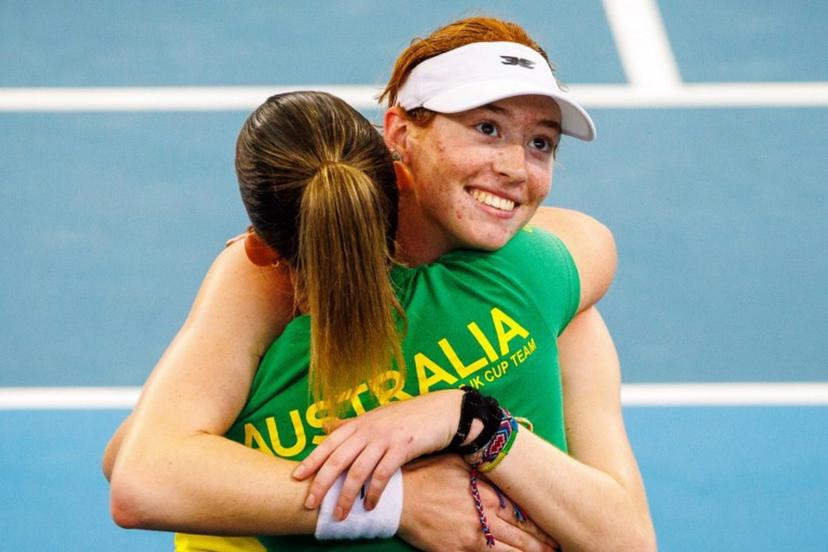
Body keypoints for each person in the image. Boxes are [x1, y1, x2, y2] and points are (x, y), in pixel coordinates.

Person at [106, 16, 655, 552]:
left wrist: (465, 418)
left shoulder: (549, 288)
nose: (517, 168)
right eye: (486, 128)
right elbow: (137, 466)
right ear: (398, 134)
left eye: (541, 143)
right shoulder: (279, 276)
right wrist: (399, 503)